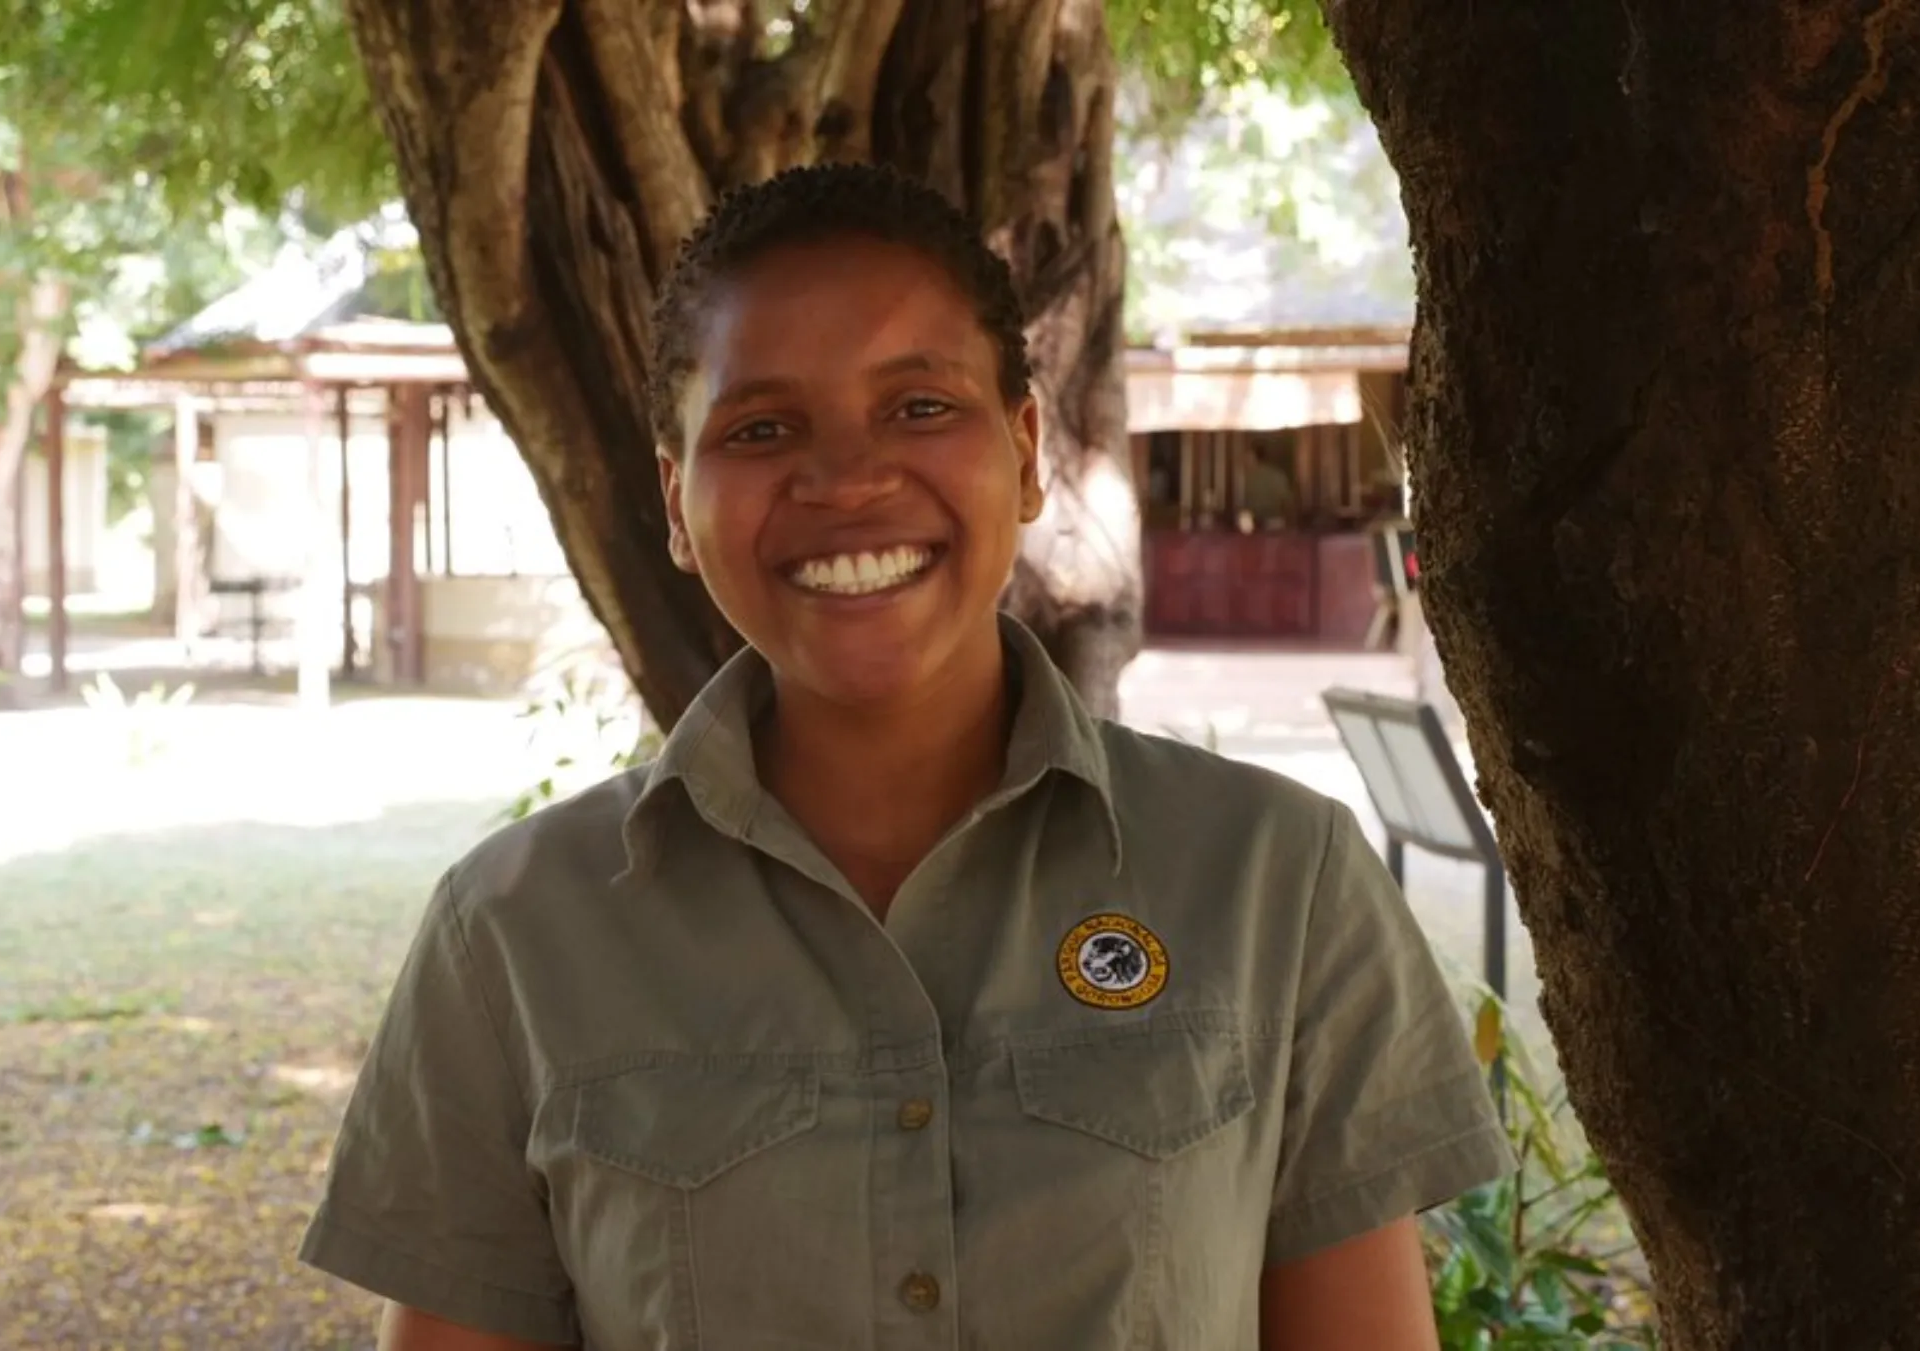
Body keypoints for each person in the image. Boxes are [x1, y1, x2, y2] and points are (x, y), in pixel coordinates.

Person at [298, 162, 1512, 1351]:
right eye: (763, 427)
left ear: (1028, 450)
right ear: (676, 501)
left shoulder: (1276, 884)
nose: (849, 480)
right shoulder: (513, 934)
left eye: (921, 406)